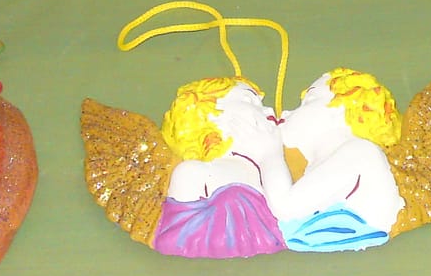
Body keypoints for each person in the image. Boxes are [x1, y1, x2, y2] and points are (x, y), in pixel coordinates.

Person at [263, 68, 405, 252]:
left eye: (309, 100)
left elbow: (285, 207)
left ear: (340, 108)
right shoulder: (326, 162)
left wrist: (268, 152)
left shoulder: (359, 152)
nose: (287, 113)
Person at [151, 76, 288, 258]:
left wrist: (271, 156)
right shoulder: (193, 172)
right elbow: (174, 239)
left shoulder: (267, 168)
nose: (269, 110)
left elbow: (287, 210)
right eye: (250, 100)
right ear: (212, 115)